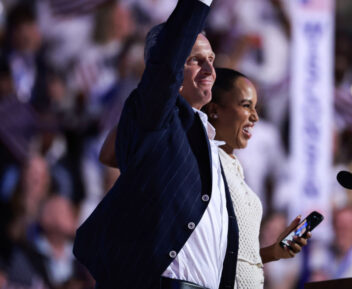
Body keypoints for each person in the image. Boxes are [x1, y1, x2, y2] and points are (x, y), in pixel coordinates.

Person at [72, 1, 239, 288]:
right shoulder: (156, 116)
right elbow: (166, 63)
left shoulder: (203, 138)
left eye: (212, 58)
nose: (211, 69)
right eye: (195, 60)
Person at [202, 68, 311, 288]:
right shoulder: (203, 162)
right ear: (215, 110)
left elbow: (238, 261)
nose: (255, 116)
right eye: (245, 106)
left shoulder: (234, 167)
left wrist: (274, 251)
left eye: (255, 107)